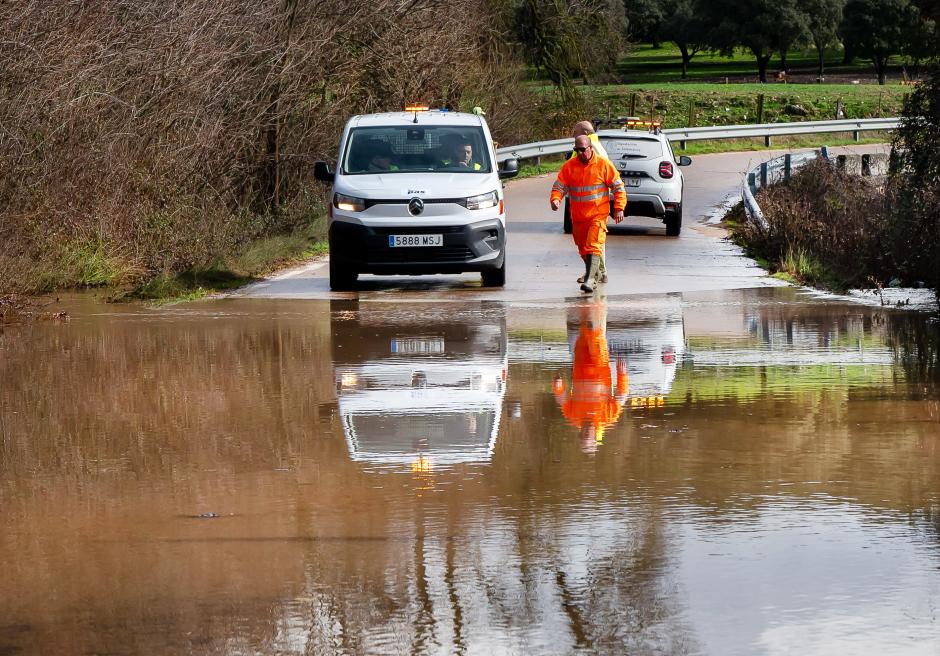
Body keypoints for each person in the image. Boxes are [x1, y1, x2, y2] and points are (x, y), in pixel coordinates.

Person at [550, 135, 626, 293]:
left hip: (597, 215)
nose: (579, 153)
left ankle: (590, 280)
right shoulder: (569, 166)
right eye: (576, 150)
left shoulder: (603, 164)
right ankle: (595, 272)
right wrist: (556, 199)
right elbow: (559, 186)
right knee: (583, 248)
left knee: (593, 245)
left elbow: (618, 187)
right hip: (578, 217)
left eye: (582, 149)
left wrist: (619, 208)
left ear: (590, 148)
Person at [552, 303, 629, 454]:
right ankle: (597, 307)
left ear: (579, 434)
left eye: (583, 435)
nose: (586, 432)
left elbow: (562, 398)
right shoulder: (608, 417)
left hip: (580, 364)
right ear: (595, 436)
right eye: (588, 436)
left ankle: (586, 308)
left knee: (583, 332)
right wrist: (622, 374)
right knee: (596, 336)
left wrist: (558, 385)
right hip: (600, 366)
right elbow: (622, 394)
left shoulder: (573, 417)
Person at [570, 121, 610, 284]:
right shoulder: (594, 145)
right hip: (588, 206)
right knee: (593, 242)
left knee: (592, 242)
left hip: (593, 207)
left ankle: (597, 273)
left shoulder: (591, 148)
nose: (573, 136)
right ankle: (598, 272)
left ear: (585, 133)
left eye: (576, 133)